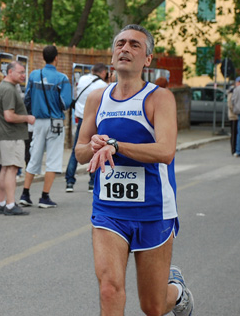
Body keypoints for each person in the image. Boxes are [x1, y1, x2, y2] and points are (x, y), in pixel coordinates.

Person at [75, 24, 193, 316]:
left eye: (134, 45)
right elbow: (78, 152)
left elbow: (165, 151)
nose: (125, 49)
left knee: (152, 306)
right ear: (113, 54)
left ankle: (177, 293)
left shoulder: (159, 98)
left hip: (153, 210)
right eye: (120, 43)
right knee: (109, 289)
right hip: (109, 210)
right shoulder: (96, 98)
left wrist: (116, 145)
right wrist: (94, 145)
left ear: (147, 59)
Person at [19, 45, 72, 208]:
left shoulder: (34, 75)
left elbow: (27, 98)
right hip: (55, 122)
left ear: (43, 57)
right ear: (56, 58)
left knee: (34, 156)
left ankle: (25, 194)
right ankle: (44, 196)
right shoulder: (62, 78)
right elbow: (65, 103)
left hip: (37, 122)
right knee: (53, 160)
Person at [0, 62, 35, 216]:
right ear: (10, 72)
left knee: (4, 168)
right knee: (11, 168)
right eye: (20, 72)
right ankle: (10, 205)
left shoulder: (4, 87)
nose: (23, 75)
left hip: (4, 135)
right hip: (11, 136)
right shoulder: (9, 90)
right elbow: (9, 116)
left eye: (24, 72)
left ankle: (1, 202)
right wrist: (27, 118)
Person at [65, 63, 108, 193]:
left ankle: (69, 181)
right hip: (94, 120)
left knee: (76, 149)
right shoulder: (102, 86)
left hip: (81, 118)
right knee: (95, 148)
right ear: (103, 72)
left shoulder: (83, 80)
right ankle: (92, 182)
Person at [226, 79, 240, 155]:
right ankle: (233, 149)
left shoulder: (238, 91)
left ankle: (238, 149)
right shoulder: (232, 91)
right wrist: (236, 111)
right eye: (239, 82)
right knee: (234, 133)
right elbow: (230, 104)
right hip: (233, 116)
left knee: (238, 133)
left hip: (237, 115)